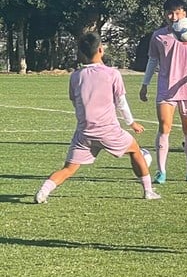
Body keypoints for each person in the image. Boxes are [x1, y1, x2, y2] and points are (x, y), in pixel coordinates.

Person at [34, 32, 160, 203]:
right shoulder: (112, 74)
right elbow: (121, 102)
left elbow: (75, 101)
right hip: (109, 130)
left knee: (69, 169)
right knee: (135, 151)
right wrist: (131, 123)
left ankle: (43, 191)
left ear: (82, 53)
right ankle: (148, 191)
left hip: (84, 132)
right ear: (101, 50)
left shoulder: (76, 76)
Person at [140, 0, 187, 184]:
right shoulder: (159, 36)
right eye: (170, 13)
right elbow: (152, 60)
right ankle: (161, 171)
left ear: (184, 13)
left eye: (177, 12)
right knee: (164, 126)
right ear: (164, 15)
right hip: (166, 88)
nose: (173, 16)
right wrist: (145, 84)